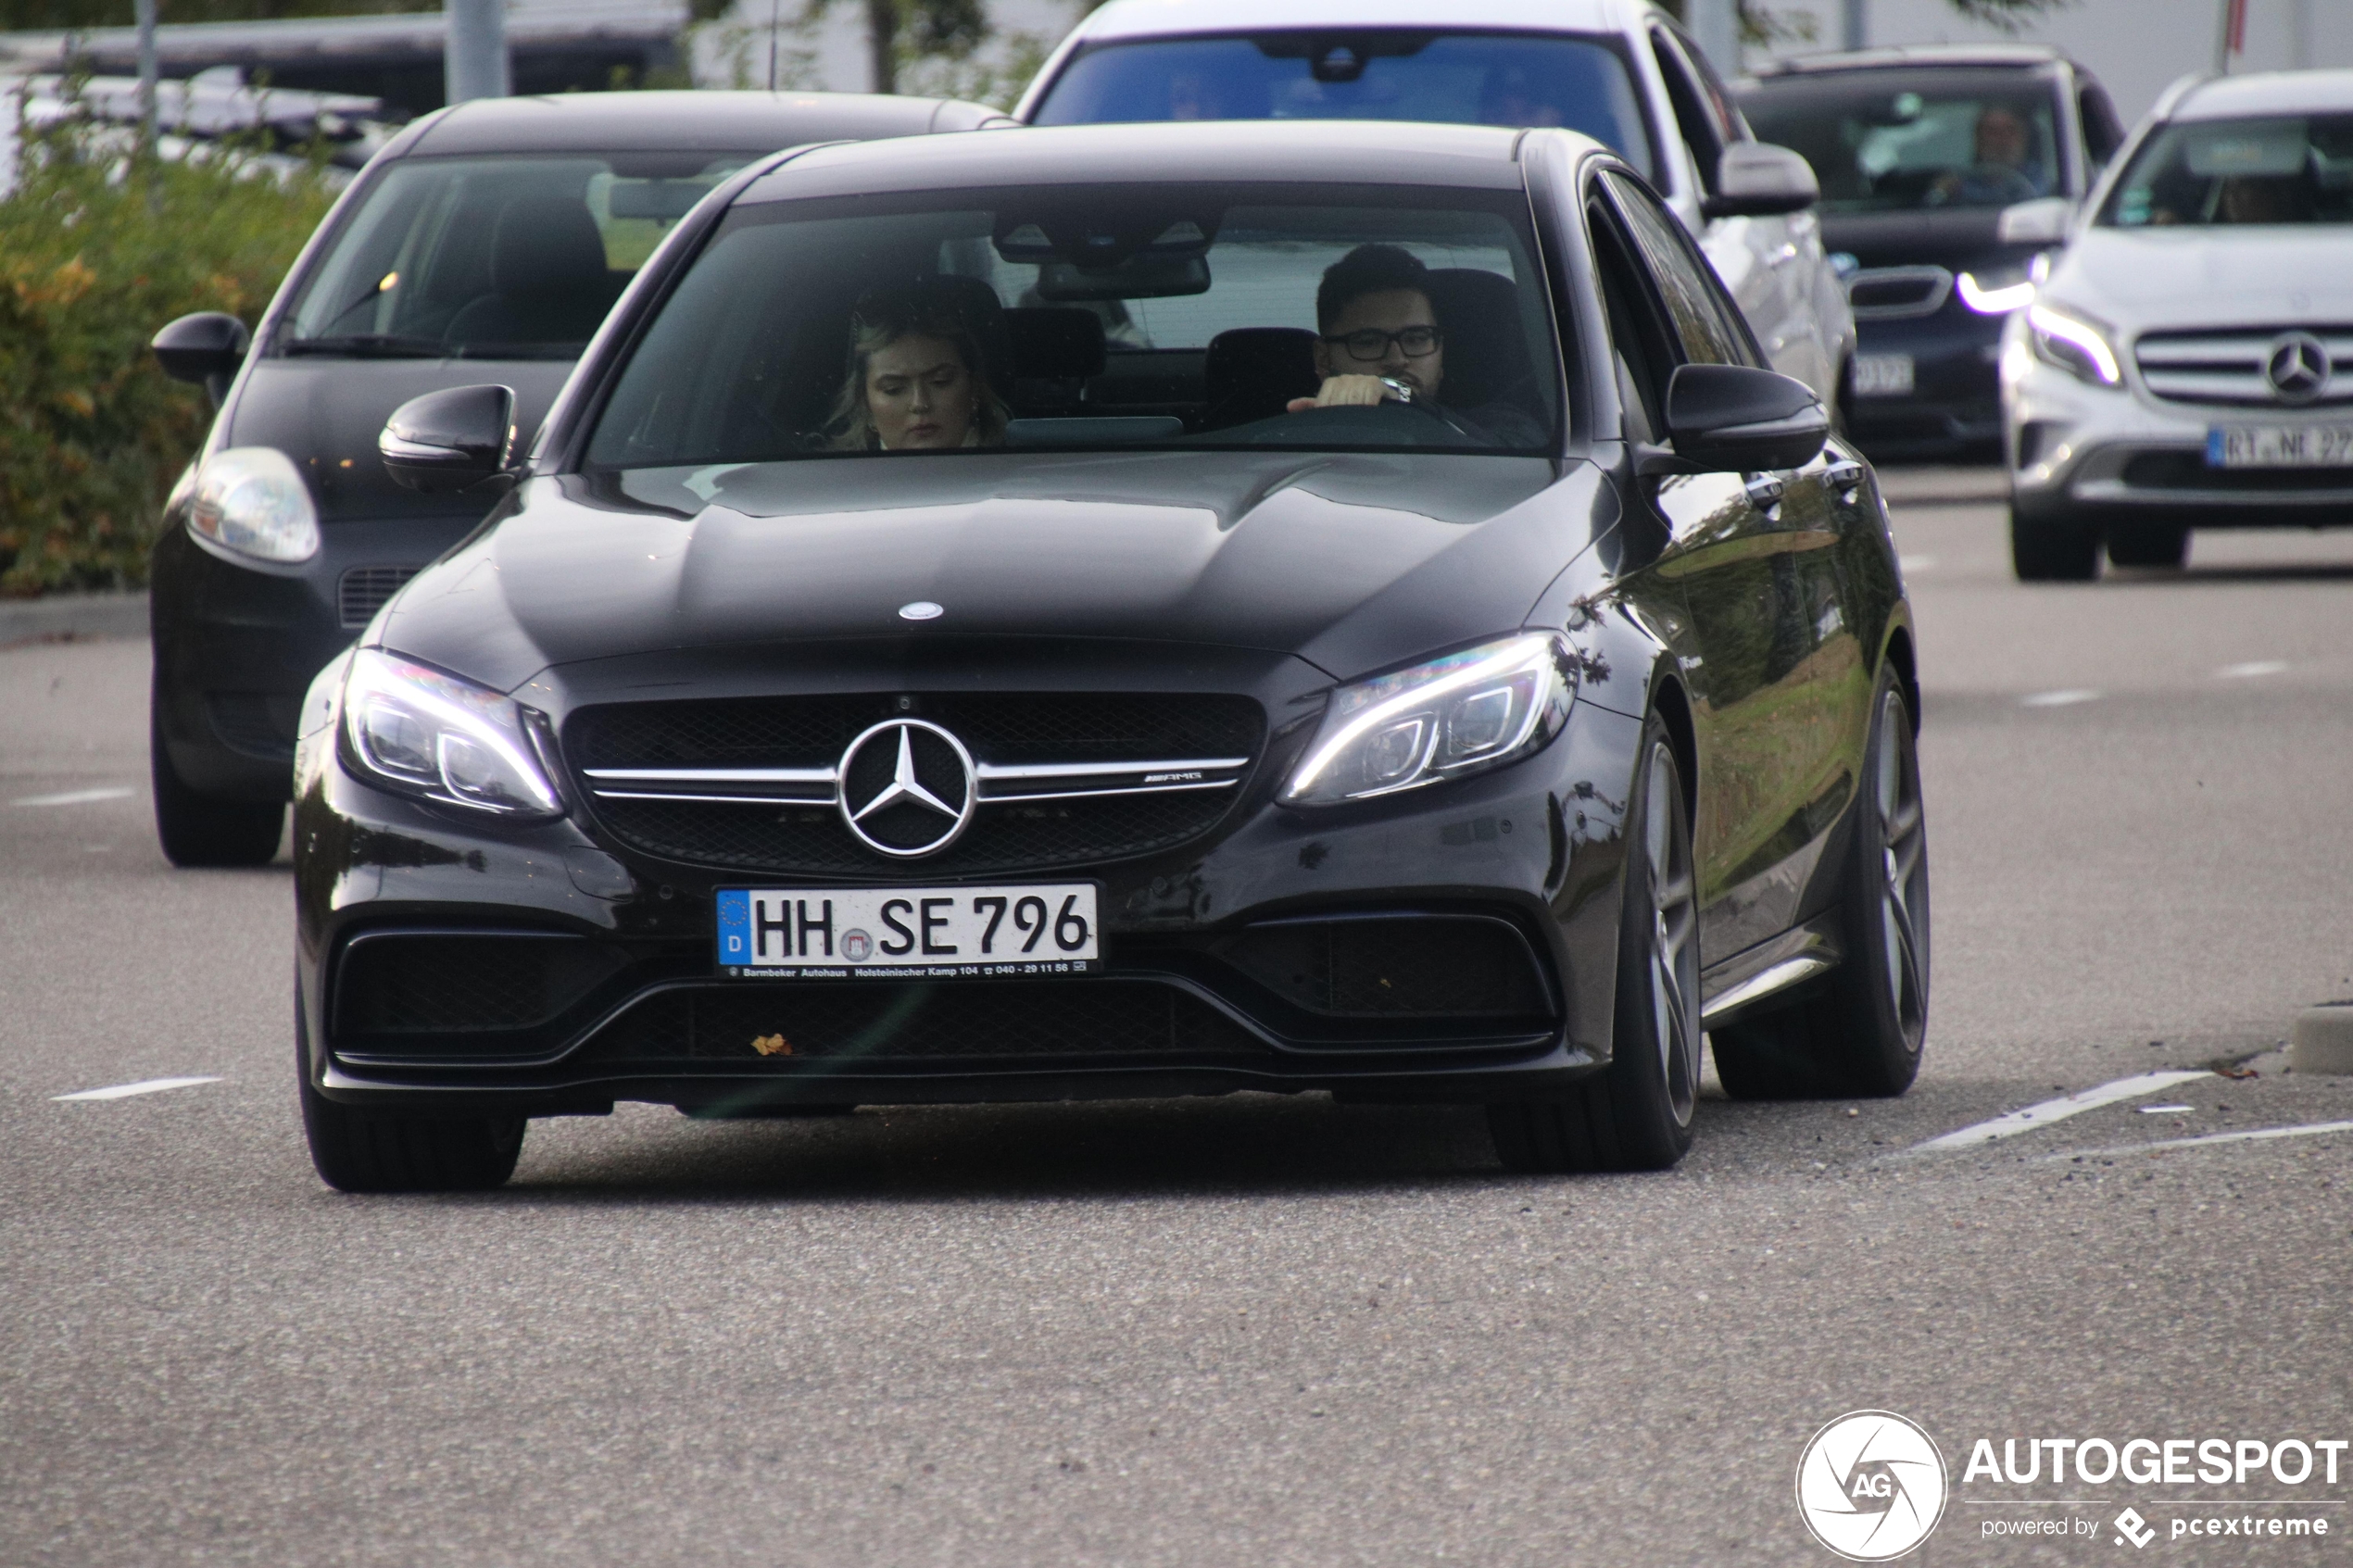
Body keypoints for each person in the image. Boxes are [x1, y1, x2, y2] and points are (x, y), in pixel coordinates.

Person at [1283, 244, 1540, 443]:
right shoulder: (1268, 440)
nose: (1396, 359)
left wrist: (1402, 398)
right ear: (1323, 359)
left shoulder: (1504, 428)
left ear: (1440, 351)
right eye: (1369, 342)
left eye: (1416, 339)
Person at [824, 280, 1010, 451]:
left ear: (974, 390)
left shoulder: (1020, 470)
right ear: (865, 404)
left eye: (940, 382)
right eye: (894, 389)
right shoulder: (830, 481)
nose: (920, 403)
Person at [1929, 106, 2047, 207]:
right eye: (1992, 132)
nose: (2002, 140)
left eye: (2010, 131)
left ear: (2023, 139)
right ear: (1978, 141)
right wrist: (1943, 192)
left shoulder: (2040, 180)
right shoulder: (1960, 182)